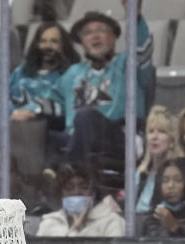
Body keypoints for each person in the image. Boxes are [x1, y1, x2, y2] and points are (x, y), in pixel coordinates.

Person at [59, 3, 153, 167]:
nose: (95, 36)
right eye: (87, 33)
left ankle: (70, 172)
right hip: (79, 139)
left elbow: (141, 48)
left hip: (123, 137)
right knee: (45, 136)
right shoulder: (73, 73)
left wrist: (134, 14)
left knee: (85, 116)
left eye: (101, 30)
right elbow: (49, 98)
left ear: (114, 37)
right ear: (81, 42)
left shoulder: (128, 63)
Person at [36, 163, 125, 237]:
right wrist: (74, 229)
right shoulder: (49, 224)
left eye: (83, 186)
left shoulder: (111, 222)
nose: (76, 191)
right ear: (61, 193)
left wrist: (79, 228)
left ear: (93, 193)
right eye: (69, 187)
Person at [136, 106, 181, 214]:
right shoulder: (141, 173)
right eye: (151, 131)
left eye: (161, 132)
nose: (154, 137)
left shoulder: (179, 173)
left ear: (172, 140)